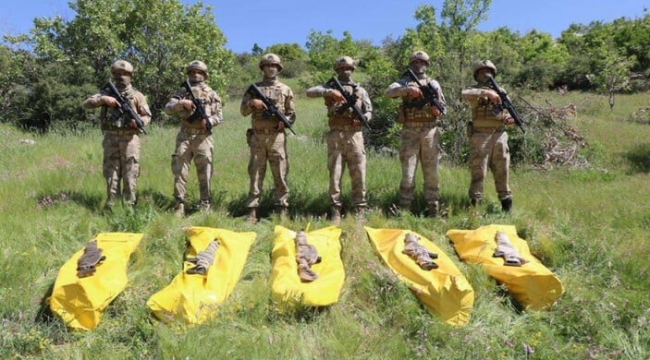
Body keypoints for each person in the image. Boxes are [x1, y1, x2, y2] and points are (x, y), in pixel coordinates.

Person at [306, 56, 372, 223]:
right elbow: (310, 92)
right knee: (335, 173)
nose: (345, 71)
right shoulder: (329, 87)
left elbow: (369, 111)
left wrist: (364, 117)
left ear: (352, 69)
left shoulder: (360, 91)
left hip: (355, 135)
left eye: (348, 68)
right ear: (337, 70)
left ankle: (360, 210)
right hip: (335, 134)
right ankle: (335, 210)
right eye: (341, 68)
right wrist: (329, 92)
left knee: (359, 173)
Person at [385, 51, 446, 217]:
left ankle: (433, 209)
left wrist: (437, 110)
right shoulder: (404, 81)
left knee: (431, 172)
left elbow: (443, 107)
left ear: (427, 64)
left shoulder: (433, 84)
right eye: (415, 62)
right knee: (408, 173)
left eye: (422, 62)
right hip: (410, 130)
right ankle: (404, 210)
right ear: (411, 64)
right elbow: (389, 92)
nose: (419, 65)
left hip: (430, 130)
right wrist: (407, 89)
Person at [82, 59, 151, 209]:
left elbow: (147, 116)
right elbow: (86, 103)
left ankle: (129, 206)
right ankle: (112, 205)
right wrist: (103, 99)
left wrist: (139, 121)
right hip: (111, 136)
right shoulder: (105, 93)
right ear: (113, 74)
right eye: (118, 74)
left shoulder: (137, 95)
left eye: (125, 74)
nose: (121, 77)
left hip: (130, 138)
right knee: (111, 172)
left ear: (131, 75)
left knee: (130, 173)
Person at [240, 53, 296, 223]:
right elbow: (243, 111)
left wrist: (284, 124)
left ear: (278, 69)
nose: (271, 68)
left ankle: (282, 208)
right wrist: (252, 103)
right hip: (257, 136)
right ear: (262, 68)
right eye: (267, 65)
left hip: (276, 136)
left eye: (274, 66)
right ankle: (252, 211)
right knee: (256, 173)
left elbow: (291, 113)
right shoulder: (253, 89)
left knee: (280, 171)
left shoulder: (285, 89)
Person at [164, 60, 223, 217]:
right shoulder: (182, 93)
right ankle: (179, 205)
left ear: (204, 75)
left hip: (203, 136)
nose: (195, 75)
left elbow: (219, 115)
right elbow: (168, 109)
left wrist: (209, 121)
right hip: (185, 135)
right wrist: (182, 104)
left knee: (205, 172)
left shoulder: (212, 94)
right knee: (179, 171)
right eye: (192, 72)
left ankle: (205, 204)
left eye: (199, 72)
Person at [460, 60, 514, 212]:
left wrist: (509, 118)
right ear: (477, 75)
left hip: (499, 135)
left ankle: (506, 206)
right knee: (478, 171)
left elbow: (508, 109)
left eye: (489, 71)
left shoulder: (501, 91)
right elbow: (464, 94)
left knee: (502, 170)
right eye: (482, 71)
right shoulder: (474, 90)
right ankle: (475, 206)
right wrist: (486, 92)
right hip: (480, 136)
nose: (486, 74)